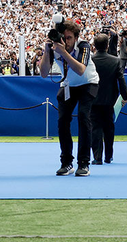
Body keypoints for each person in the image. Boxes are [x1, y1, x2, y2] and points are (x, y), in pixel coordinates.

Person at [40, 18, 98, 177]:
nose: (66, 41)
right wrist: (47, 50)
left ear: (76, 37)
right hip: (68, 85)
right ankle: (66, 163)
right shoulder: (55, 48)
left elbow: (80, 70)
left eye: (69, 38)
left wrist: (63, 53)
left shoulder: (83, 46)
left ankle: (84, 163)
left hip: (88, 82)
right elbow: (43, 73)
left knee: (83, 117)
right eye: (63, 38)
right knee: (62, 121)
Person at [90, 32, 127, 165]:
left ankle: (97, 157)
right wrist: (125, 96)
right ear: (107, 45)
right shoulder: (115, 60)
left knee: (95, 128)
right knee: (109, 128)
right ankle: (108, 156)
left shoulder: (90, 61)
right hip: (110, 100)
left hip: (93, 99)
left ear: (94, 46)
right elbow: (121, 80)